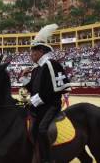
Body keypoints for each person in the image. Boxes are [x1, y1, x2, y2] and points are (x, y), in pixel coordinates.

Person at [21, 24, 71, 163]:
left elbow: (52, 91)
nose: (31, 55)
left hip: (51, 105)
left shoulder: (51, 64)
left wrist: (34, 100)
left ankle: (48, 160)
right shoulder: (37, 69)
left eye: (33, 52)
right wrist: (25, 77)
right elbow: (32, 89)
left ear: (41, 51)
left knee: (42, 130)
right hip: (40, 105)